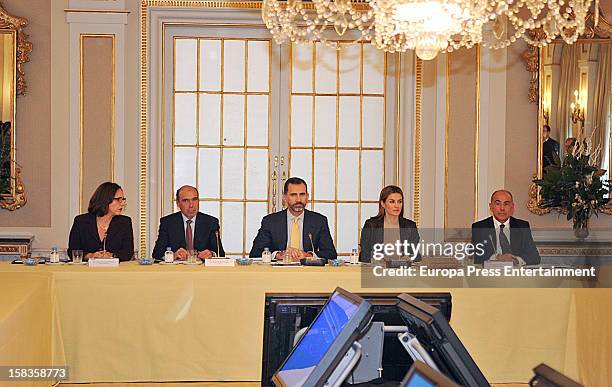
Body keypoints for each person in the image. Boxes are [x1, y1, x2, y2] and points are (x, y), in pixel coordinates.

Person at [249, 177, 336, 261]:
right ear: (284, 197)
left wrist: (308, 255)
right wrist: (278, 255)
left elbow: (331, 254)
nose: (298, 199)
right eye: (293, 195)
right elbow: (255, 253)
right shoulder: (270, 221)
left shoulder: (319, 221)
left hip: (309, 272)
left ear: (307, 196)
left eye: (302, 194)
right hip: (279, 272)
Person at [152, 185, 224, 261]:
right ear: (178, 203)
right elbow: (157, 254)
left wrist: (211, 254)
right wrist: (173, 255)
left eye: (194, 199)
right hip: (177, 270)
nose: (191, 205)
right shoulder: (168, 223)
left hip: (202, 270)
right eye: (186, 200)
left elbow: (220, 253)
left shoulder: (211, 222)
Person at [68, 182, 134, 262]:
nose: (123, 204)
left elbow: (128, 252)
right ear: (106, 200)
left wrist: (111, 255)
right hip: (87, 272)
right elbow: (72, 251)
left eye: (123, 200)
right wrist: (90, 256)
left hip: (114, 272)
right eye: (118, 200)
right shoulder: (81, 221)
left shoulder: (125, 222)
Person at [471, 190, 540, 265]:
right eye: (498, 204)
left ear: (512, 207)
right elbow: (476, 257)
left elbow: (534, 257)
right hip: (490, 274)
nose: (502, 208)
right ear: (491, 206)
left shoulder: (522, 226)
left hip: (515, 274)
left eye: (506, 204)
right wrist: (496, 258)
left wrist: (515, 260)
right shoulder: (479, 227)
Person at [359, 185, 420, 263]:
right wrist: (377, 259)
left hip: (402, 272)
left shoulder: (410, 226)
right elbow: (364, 255)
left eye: (399, 201)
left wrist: (408, 257)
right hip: (376, 271)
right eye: (392, 202)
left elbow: (416, 255)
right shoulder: (371, 225)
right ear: (383, 204)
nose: (396, 206)